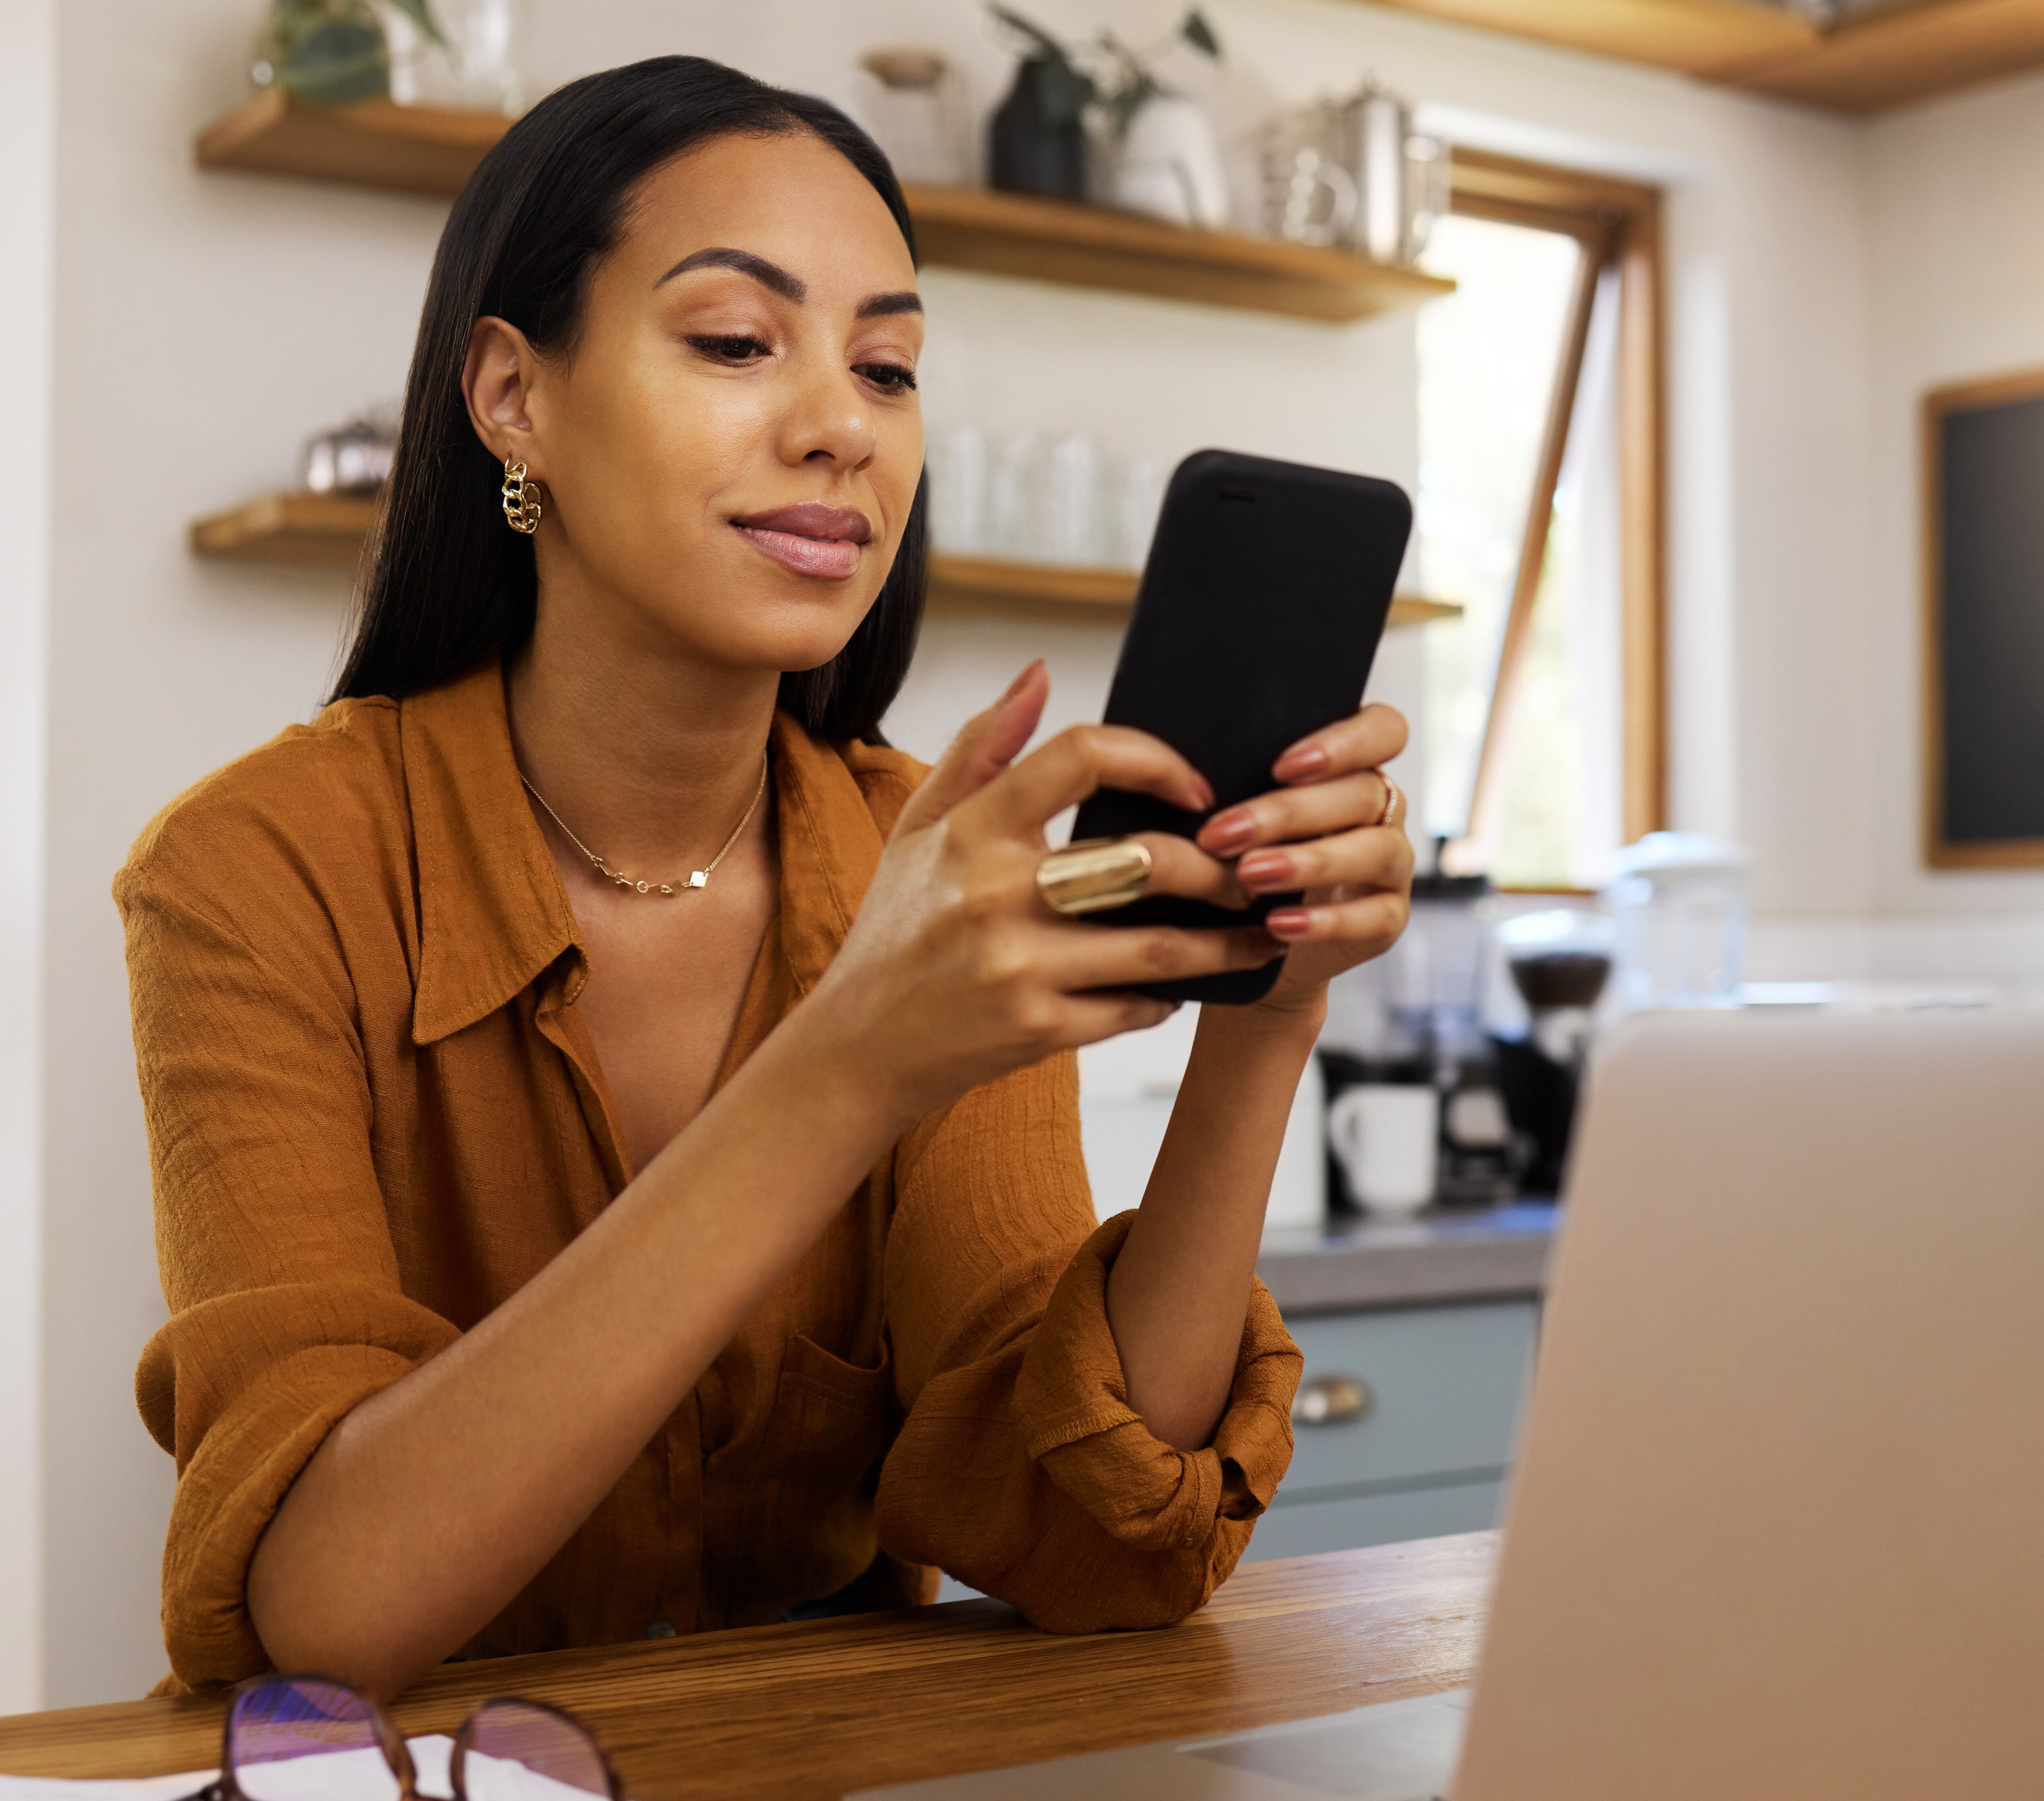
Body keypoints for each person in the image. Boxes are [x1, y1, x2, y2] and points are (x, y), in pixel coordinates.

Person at [118, 55, 1415, 1700]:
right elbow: (324, 1608)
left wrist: (1263, 1016)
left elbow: (1102, 1545)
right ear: (512, 395)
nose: (837, 428)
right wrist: (851, 1057)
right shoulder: (259, 869)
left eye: (887, 367)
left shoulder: (922, 858)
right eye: (737, 342)